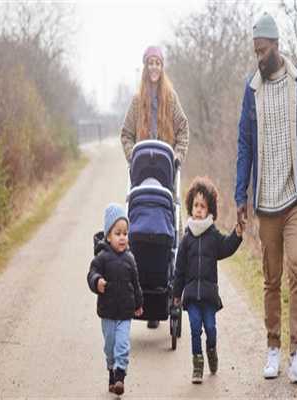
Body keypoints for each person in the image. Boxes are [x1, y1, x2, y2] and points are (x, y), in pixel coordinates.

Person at [235, 13, 297, 384]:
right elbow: (244, 143)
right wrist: (241, 194)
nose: (259, 57)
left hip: (295, 197)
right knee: (272, 279)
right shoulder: (251, 89)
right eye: (255, 51)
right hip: (265, 202)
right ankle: (273, 348)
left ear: (276, 45)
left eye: (263, 50)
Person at [121, 45, 189, 329]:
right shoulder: (137, 101)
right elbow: (125, 134)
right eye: (150, 63)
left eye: (157, 63)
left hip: (165, 174)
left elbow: (183, 130)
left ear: (162, 67)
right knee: (139, 227)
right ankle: (144, 291)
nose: (153, 68)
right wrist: (132, 156)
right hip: (142, 177)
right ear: (144, 66)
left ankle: (168, 287)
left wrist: (177, 157)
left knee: (172, 228)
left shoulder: (170, 99)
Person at [173, 177, 243, 384]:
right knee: (195, 328)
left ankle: (211, 351)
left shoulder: (213, 236)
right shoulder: (186, 239)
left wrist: (237, 235)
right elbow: (179, 270)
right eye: (195, 205)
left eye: (202, 206)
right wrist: (176, 294)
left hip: (209, 295)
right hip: (192, 295)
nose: (198, 210)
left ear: (209, 209)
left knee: (210, 328)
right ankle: (197, 365)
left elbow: (226, 247)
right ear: (190, 207)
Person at [87, 203, 144, 395]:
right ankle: (111, 370)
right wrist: (97, 281)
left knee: (122, 345)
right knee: (110, 346)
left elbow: (136, 283)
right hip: (108, 312)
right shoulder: (101, 258)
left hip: (125, 313)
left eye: (125, 233)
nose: (122, 237)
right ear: (108, 236)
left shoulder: (130, 259)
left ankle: (120, 376)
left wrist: (139, 303)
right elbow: (92, 274)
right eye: (118, 233)